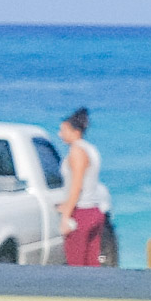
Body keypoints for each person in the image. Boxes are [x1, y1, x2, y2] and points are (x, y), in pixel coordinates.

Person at [56, 107, 106, 266]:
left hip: (81, 213)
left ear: (75, 131)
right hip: (94, 210)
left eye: (63, 130)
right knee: (92, 263)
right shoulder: (91, 150)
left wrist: (66, 216)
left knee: (76, 264)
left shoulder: (77, 151)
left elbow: (77, 186)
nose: (60, 134)